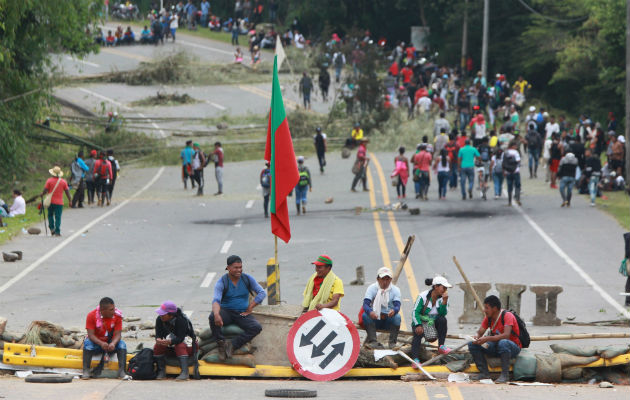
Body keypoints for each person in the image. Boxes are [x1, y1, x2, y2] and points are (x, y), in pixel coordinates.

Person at [210, 255, 266, 361]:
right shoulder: (222, 282)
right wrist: (217, 315)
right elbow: (216, 300)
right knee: (212, 317)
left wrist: (251, 307)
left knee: (256, 327)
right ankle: (221, 345)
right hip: (226, 312)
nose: (239, 270)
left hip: (241, 313)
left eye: (240, 267)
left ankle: (232, 345)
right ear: (228, 268)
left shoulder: (247, 279)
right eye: (236, 267)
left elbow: (262, 293)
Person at [468, 295, 522, 383]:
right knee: (472, 344)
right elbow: (480, 332)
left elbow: (506, 335)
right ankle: (484, 373)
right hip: (497, 346)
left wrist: (487, 338)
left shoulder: (507, 316)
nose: (484, 310)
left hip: (512, 347)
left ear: (495, 308)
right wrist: (476, 337)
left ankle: (505, 375)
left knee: (503, 342)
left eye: (487, 308)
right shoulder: (488, 318)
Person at [411, 276, 453, 366]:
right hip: (421, 321)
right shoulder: (422, 296)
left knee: (442, 320)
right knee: (417, 334)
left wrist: (444, 302)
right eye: (443, 288)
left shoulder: (444, 298)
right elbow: (415, 312)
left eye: (446, 288)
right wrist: (418, 325)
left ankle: (441, 346)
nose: (445, 290)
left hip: (432, 323)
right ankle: (415, 359)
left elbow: (442, 314)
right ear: (436, 287)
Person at [82, 297, 126, 379]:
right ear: (102, 310)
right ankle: (86, 369)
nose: (114, 311)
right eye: (111, 309)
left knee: (122, 344)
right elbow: (91, 335)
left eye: (113, 308)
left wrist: (113, 343)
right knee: (87, 344)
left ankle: (122, 370)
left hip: (110, 343)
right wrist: (101, 343)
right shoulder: (91, 315)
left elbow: (118, 334)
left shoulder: (117, 316)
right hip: (96, 343)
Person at [154, 301, 197, 380]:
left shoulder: (181, 320)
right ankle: (161, 371)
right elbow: (158, 334)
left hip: (186, 347)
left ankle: (185, 372)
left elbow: (180, 338)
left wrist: (170, 342)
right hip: (170, 346)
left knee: (179, 345)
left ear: (171, 315)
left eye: (163, 314)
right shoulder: (159, 319)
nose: (161, 316)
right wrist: (158, 339)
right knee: (157, 346)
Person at [361, 267, 401, 349]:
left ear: (390, 280)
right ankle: (373, 341)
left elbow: (397, 305)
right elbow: (365, 304)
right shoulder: (372, 288)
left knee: (397, 317)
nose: (385, 282)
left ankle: (392, 343)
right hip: (375, 319)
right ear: (378, 279)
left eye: (387, 279)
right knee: (365, 315)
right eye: (383, 279)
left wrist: (394, 311)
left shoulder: (395, 290)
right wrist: (370, 312)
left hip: (388, 319)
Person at [41, 166, 72, 236]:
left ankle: (52, 228)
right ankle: (57, 231)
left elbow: (45, 190)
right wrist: (70, 200)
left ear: (52, 173)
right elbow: (67, 192)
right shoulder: (63, 182)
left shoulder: (49, 181)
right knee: (58, 217)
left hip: (50, 202)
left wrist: (42, 194)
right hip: (59, 203)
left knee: (50, 215)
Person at [503, 141, 522, 206]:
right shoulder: (516, 152)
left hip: (508, 172)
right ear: (512, 146)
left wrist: (504, 171)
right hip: (515, 171)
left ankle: (509, 201)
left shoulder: (505, 152)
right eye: (515, 146)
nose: (516, 147)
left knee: (509, 187)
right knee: (517, 185)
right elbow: (518, 161)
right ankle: (517, 199)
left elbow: (503, 163)